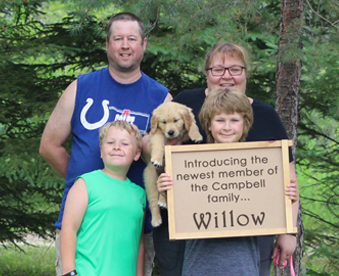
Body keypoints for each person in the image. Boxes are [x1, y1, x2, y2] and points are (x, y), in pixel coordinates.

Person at [39, 12, 172, 276]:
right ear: (108, 44)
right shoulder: (81, 87)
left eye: (132, 39)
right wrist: (88, 188)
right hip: (80, 225)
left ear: (143, 44)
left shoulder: (161, 98)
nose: (125, 45)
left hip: (133, 228)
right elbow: (49, 146)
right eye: (118, 38)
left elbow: (169, 162)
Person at [153, 42, 299, 276]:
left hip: (248, 238)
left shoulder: (267, 116)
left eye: (235, 69)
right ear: (207, 73)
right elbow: (152, 147)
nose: (226, 76)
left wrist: (288, 231)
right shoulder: (183, 106)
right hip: (189, 239)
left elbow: (287, 177)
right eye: (218, 69)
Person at [61, 121, 145, 276]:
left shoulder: (140, 194)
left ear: (137, 154)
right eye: (110, 142)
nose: (117, 147)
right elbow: (68, 229)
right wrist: (68, 272)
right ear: (101, 150)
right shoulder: (85, 184)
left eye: (125, 143)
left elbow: (138, 243)